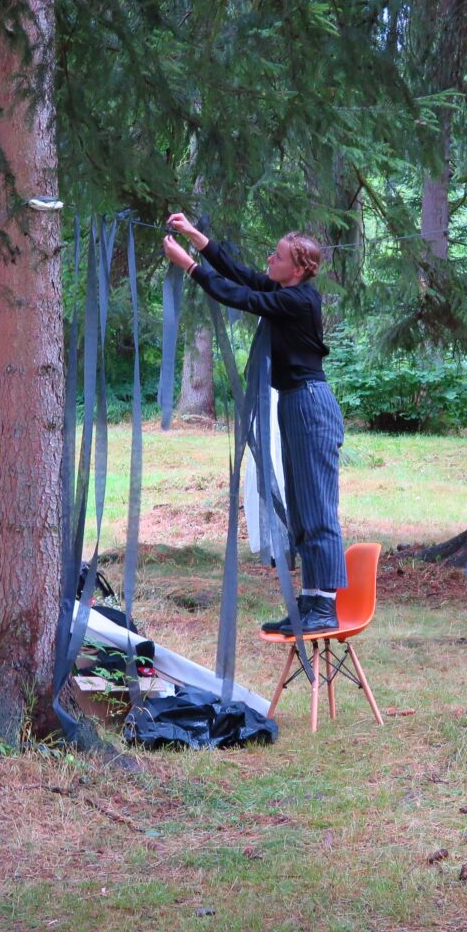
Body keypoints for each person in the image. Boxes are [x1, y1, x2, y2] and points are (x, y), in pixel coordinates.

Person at [162, 213, 346, 635]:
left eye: (277, 257)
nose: (269, 259)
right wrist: (195, 236)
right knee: (301, 509)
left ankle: (326, 605)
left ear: (296, 269)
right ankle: (311, 601)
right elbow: (240, 274)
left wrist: (189, 266)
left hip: (311, 405)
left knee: (317, 508)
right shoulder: (285, 290)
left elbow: (239, 296)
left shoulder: (297, 301)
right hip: (296, 403)